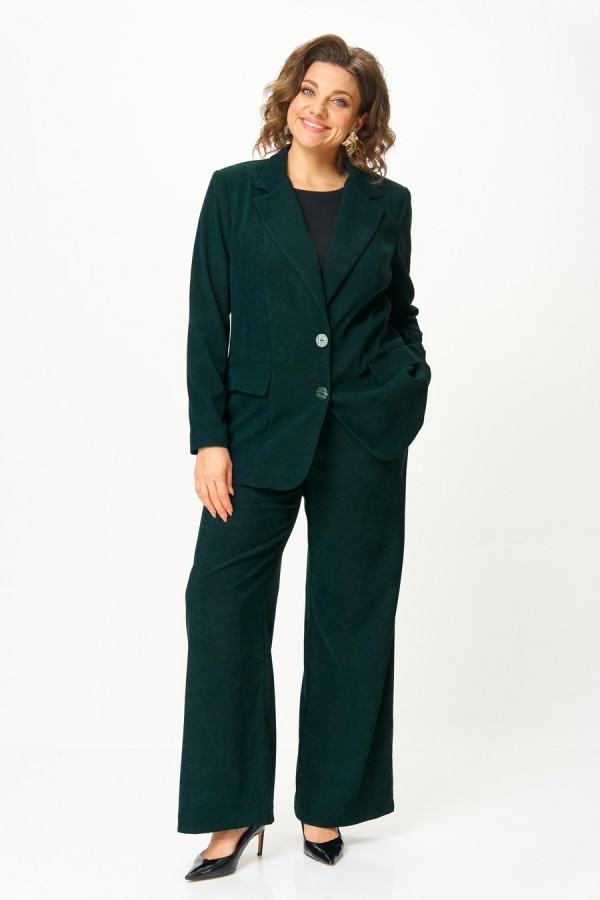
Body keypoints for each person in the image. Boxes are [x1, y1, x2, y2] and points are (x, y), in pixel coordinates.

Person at [177, 33, 432, 880]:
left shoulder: (387, 205)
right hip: (256, 434)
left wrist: (407, 382)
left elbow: (399, 309)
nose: (318, 109)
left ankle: (327, 803)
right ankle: (231, 812)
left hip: (362, 434)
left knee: (351, 617)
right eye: (309, 91)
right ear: (288, 97)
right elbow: (207, 318)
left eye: (340, 100)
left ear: (361, 120)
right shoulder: (234, 193)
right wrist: (209, 437)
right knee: (221, 608)